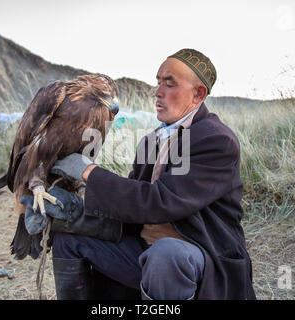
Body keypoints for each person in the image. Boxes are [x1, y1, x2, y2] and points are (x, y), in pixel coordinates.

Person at [30, 49, 256, 300]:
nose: (158, 92)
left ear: (198, 94)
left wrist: (88, 172)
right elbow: (133, 204)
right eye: (158, 82)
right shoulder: (152, 141)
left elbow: (160, 201)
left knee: (167, 253)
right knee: (70, 237)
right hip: (147, 251)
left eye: (169, 84)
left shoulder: (216, 140)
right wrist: (77, 208)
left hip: (202, 260)